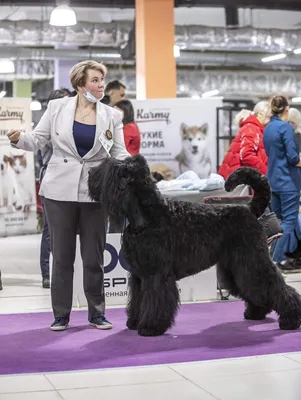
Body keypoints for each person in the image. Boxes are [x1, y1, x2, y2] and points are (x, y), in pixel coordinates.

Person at [7, 60, 130, 331]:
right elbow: (37, 140)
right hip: (58, 190)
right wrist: (18, 138)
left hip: (96, 192)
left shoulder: (112, 115)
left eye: (102, 80)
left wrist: (133, 167)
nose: (101, 85)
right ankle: (61, 314)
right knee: (61, 257)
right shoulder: (57, 107)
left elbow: (119, 152)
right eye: (95, 80)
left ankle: (97, 313)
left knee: (94, 257)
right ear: (80, 84)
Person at [38, 88, 72, 289]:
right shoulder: (48, 125)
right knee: (50, 229)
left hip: (71, 180)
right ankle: (47, 273)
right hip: (52, 179)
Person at [263, 95, 301, 272]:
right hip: (288, 183)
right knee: (289, 222)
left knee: (276, 222)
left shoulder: (268, 128)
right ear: (287, 108)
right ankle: (275, 260)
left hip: (273, 181)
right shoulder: (286, 128)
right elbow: (293, 158)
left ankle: (270, 258)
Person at [218, 101, 270, 180]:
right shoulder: (252, 128)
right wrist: (266, 173)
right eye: (270, 117)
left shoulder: (252, 128)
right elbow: (246, 155)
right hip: (240, 183)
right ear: (261, 115)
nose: (271, 121)